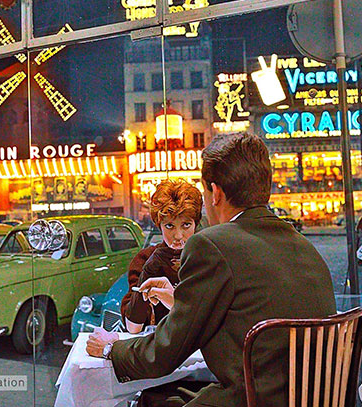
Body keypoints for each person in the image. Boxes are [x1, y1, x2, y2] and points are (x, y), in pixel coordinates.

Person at [87, 133, 336, 407]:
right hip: (313, 398)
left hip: (252, 400)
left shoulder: (211, 244)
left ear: (216, 193)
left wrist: (112, 348)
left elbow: (162, 354)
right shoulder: (303, 246)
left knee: (148, 400)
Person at [120, 179, 202, 334]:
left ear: (195, 224)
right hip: (159, 348)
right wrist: (148, 271)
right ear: (159, 225)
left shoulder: (207, 258)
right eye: (169, 226)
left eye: (186, 225)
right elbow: (133, 327)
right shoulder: (145, 259)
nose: (178, 236)